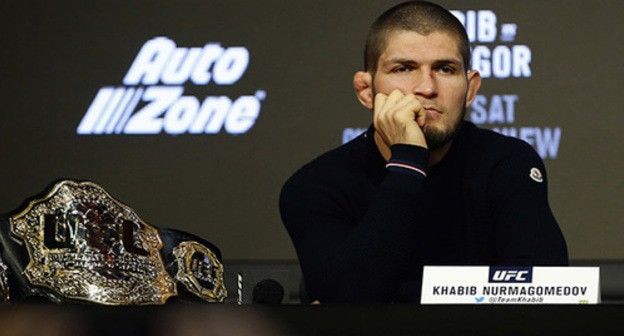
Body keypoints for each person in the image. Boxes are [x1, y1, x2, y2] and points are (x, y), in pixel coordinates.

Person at [279, 0, 568, 304]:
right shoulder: (315, 185)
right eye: (403, 68)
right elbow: (348, 303)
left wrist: (394, 299)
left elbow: (546, 292)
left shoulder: (508, 163)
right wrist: (407, 163)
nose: (427, 88)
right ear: (367, 91)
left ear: (470, 90)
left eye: (445, 69)